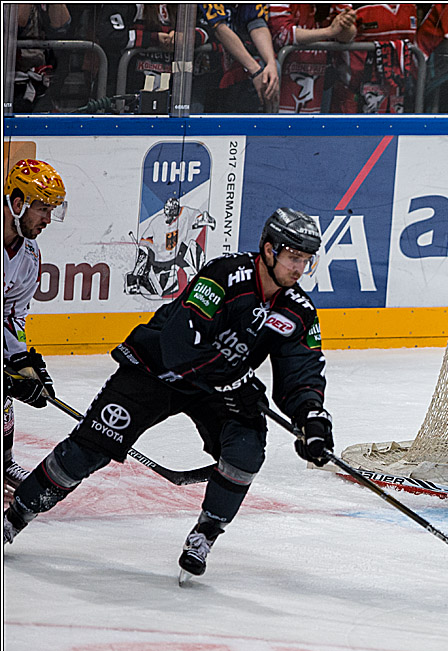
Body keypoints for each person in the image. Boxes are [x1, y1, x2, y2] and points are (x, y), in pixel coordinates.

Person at [4, 208, 332, 586]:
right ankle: (15, 518)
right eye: (294, 258)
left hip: (216, 386)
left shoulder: (298, 310)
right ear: (270, 250)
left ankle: (204, 536)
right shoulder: (224, 276)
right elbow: (180, 346)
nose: (299, 269)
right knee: (89, 447)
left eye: (306, 260)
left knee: (246, 448)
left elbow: (301, 371)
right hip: (157, 370)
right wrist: (232, 380)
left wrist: (312, 418)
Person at [3, 159, 67, 501]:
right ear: (17, 204)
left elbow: (12, 315)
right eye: (42, 208)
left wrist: (25, 362)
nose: (47, 219)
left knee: (10, 385)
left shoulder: (28, 254)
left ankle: (4, 461)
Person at [125, 196, 217, 299]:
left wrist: (206, 219)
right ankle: (139, 282)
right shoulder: (157, 222)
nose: (169, 216)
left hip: (177, 255)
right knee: (162, 289)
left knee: (193, 247)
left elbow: (199, 217)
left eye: (172, 212)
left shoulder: (185, 213)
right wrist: (137, 270)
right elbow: (145, 245)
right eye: (167, 211)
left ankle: (195, 280)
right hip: (160, 261)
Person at [200, 3, 281, 113]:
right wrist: (256, 71)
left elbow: (256, 24)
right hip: (205, 71)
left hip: (236, 69)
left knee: (270, 72)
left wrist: (271, 63)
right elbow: (220, 29)